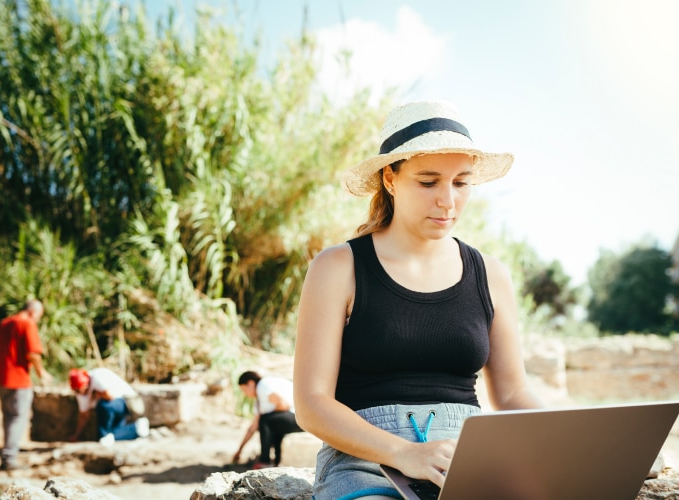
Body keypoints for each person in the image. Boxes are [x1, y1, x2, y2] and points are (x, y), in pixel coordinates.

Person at [293, 100, 544, 499]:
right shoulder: (338, 267)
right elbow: (311, 403)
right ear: (390, 180)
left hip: (468, 460)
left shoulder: (490, 274)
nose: (448, 201)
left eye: (461, 183)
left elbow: (513, 393)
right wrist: (405, 453)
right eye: (428, 182)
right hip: (365, 465)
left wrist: (583, 439)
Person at [0, 299, 53, 471]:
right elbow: (33, 352)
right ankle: (9, 458)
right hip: (19, 379)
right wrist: (42, 374)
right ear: (34, 312)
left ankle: (7, 456)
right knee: (18, 418)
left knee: (8, 417)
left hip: (1, 378)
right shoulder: (27, 323)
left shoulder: (4, 323)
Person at [232, 370, 303, 468]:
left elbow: (284, 404)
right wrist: (239, 450)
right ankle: (276, 462)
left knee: (266, 420)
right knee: (272, 423)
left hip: (301, 417)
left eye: (244, 390)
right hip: (293, 418)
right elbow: (252, 428)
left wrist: (266, 416)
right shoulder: (259, 401)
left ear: (250, 383)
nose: (245, 394)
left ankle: (265, 461)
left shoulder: (263, 385)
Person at [68, 367, 149, 446]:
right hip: (113, 409)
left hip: (125, 402)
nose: (77, 392)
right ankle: (136, 428)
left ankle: (105, 436)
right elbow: (84, 415)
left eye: (78, 390)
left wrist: (96, 394)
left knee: (103, 405)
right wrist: (76, 435)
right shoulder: (80, 393)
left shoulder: (97, 377)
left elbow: (110, 397)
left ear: (84, 384)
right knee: (110, 437)